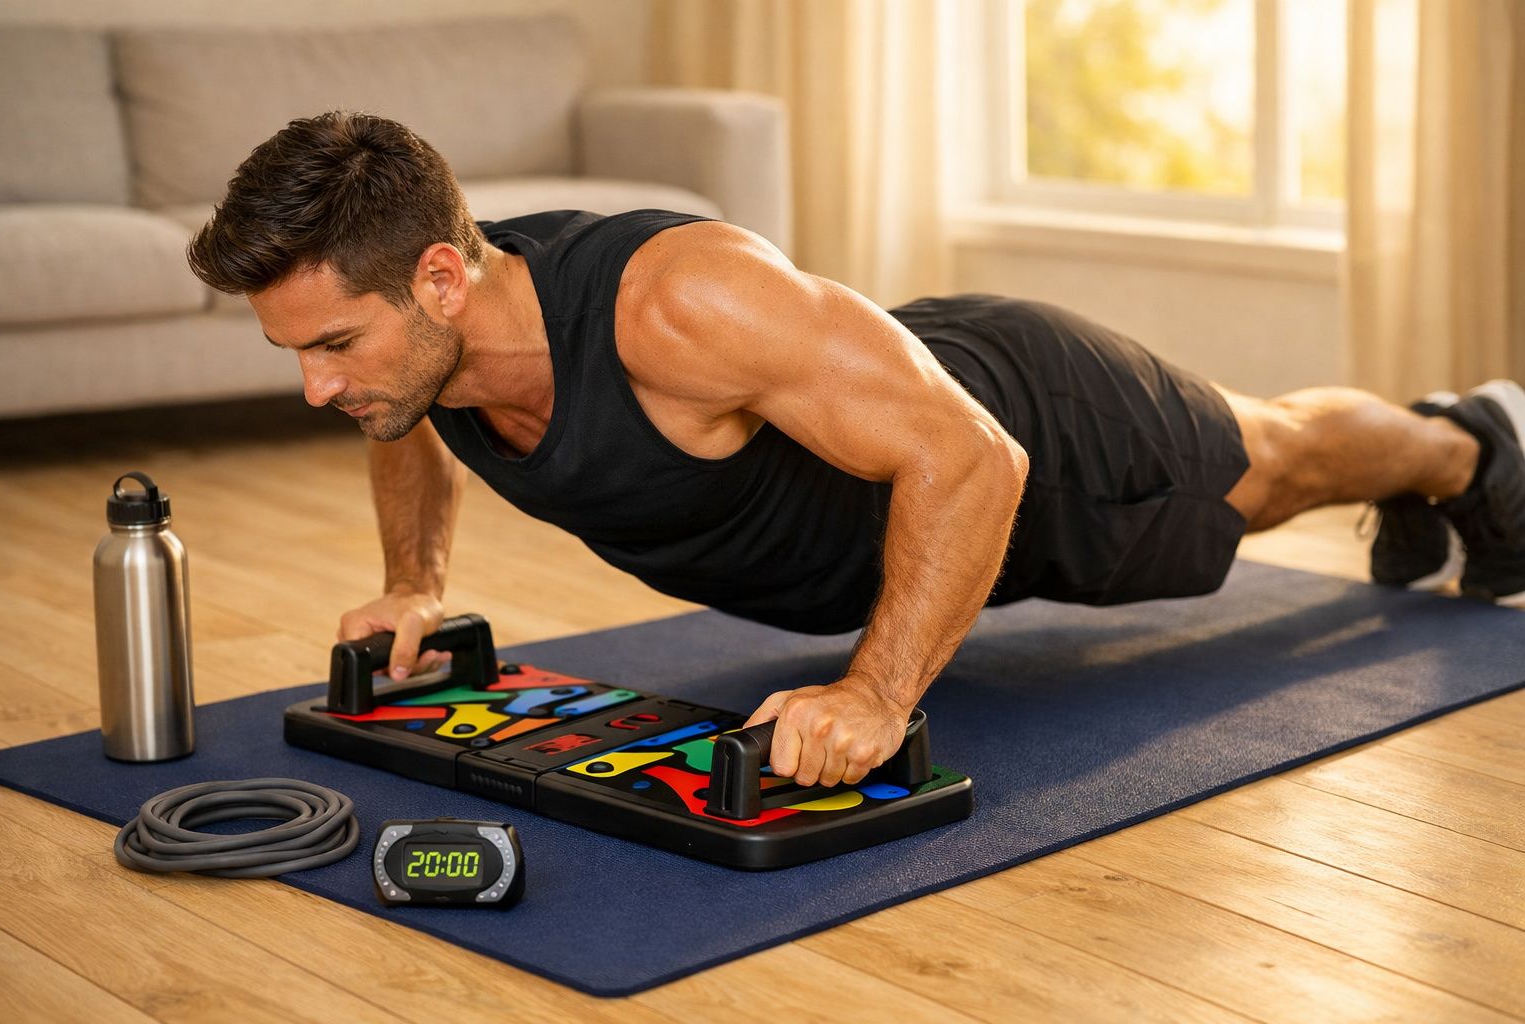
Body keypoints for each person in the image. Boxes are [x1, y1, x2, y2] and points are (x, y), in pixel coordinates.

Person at [187, 112, 1521, 789]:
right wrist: (415, 582)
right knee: (1268, 461)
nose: (320, 388)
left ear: (436, 278)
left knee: (1269, 464)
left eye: (334, 344)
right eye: (298, 353)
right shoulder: (424, 344)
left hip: (1032, 426)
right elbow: (400, 413)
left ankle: (1468, 447)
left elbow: (978, 460)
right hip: (890, 398)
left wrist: (879, 700)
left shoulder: (676, 300)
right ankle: (1433, 464)